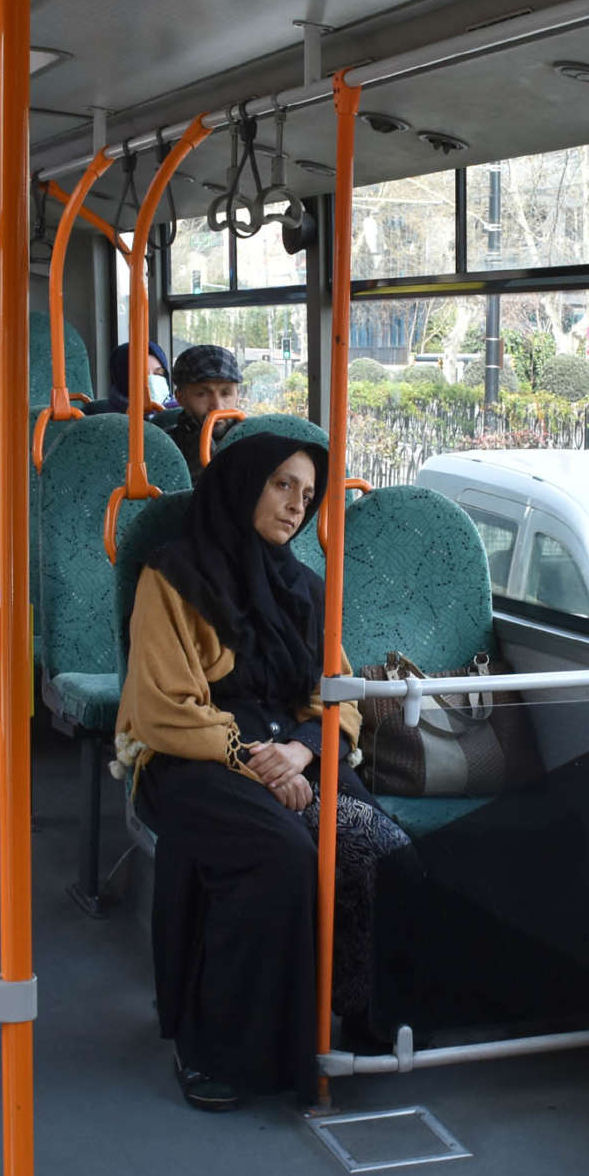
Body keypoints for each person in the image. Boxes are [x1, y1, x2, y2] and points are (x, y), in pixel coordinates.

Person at [116, 432, 405, 1111]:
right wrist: (255, 761)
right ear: (244, 484)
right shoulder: (172, 577)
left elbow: (337, 696)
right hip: (192, 757)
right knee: (278, 855)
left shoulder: (305, 587)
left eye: (307, 496)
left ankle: (358, 1019)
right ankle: (214, 1045)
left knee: (375, 846)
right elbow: (163, 706)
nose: (294, 507)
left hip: (292, 751)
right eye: (281, 486)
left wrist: (303, 751)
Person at [163, 342, 243, 473]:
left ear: (237, 396)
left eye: (226, 393)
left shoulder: (255, 440)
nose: (217, 406)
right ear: (181, 398)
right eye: (202, 394)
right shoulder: (164, 447)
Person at [82, 339, 172, 416]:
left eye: (159, 374)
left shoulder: (176, 414)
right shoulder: (101, 419)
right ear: (123, 378)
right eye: (142, 375)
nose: (152, 381)